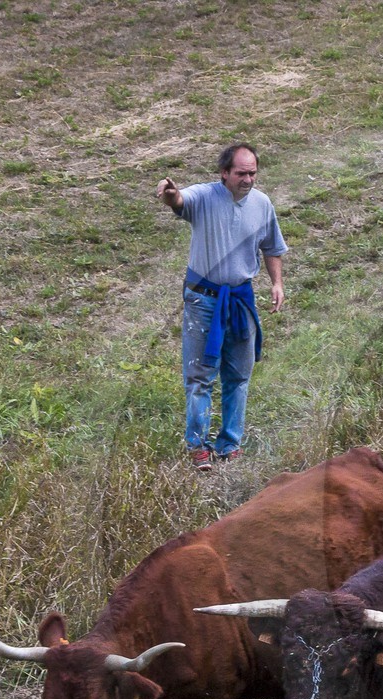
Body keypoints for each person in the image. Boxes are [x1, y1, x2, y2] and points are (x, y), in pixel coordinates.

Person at [157, 143, 287, 470]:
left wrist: (276, 282)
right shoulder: (203, 196)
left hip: (241, 298)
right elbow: (180, 200)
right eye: (241, 173)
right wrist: (170, 194)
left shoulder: (262, 204)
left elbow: (272, 246)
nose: (248, 179)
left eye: (253, 173)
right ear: (224, 173)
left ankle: (229, 445)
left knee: (239, 375)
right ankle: (198, 447)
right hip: (203, 299)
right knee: (200, 376)